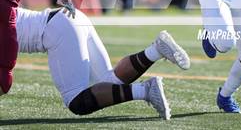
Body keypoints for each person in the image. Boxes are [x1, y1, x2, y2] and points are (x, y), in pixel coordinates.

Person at [16, 7, 190, 119]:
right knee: (107, 81)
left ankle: (144, 90)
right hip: (71, 16)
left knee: (77, 100)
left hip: (57, 29)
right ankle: (155, 51)